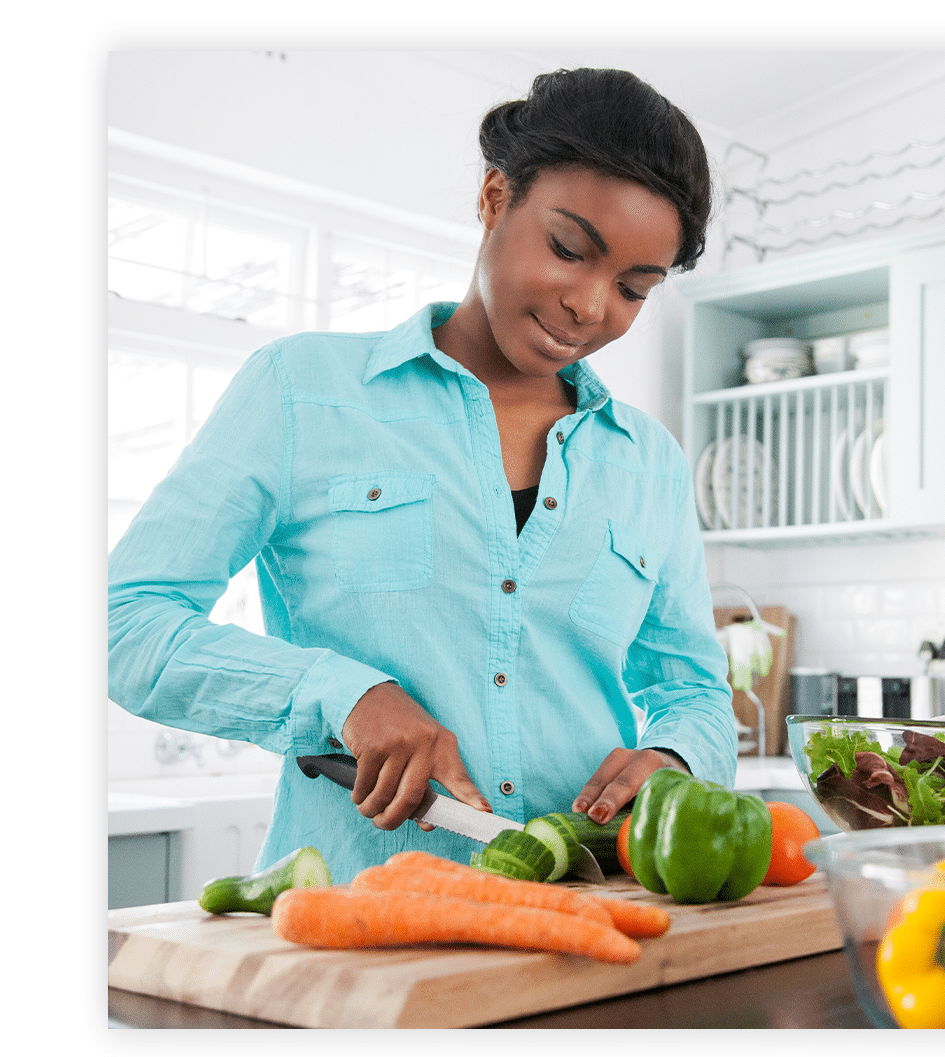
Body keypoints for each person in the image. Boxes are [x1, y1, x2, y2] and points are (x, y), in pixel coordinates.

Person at [107, 68, 739, 884]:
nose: (590, 306)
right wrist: (343, 693)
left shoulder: (647, 461)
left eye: (631, 288)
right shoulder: (303, 391)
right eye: (569, 250)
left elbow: (693, 691)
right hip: (360, 921)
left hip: (594, 916)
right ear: (494, 198)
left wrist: (675, 758)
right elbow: (123, 622)